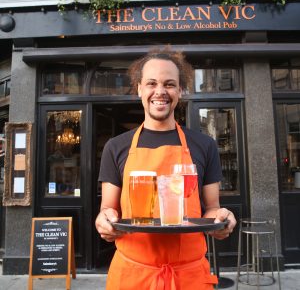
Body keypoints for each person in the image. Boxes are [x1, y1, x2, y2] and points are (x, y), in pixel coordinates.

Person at [95, 47, 237, 290]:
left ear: (179, 91)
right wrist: (104, 222)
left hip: (190, 276)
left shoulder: (204, 145)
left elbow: (211, 209)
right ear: (139, 88)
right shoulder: (116, 147)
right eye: (151, 83)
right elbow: (108, 209)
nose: (160, 92)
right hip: (132, 276)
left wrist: (222, 219)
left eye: (169, 84)